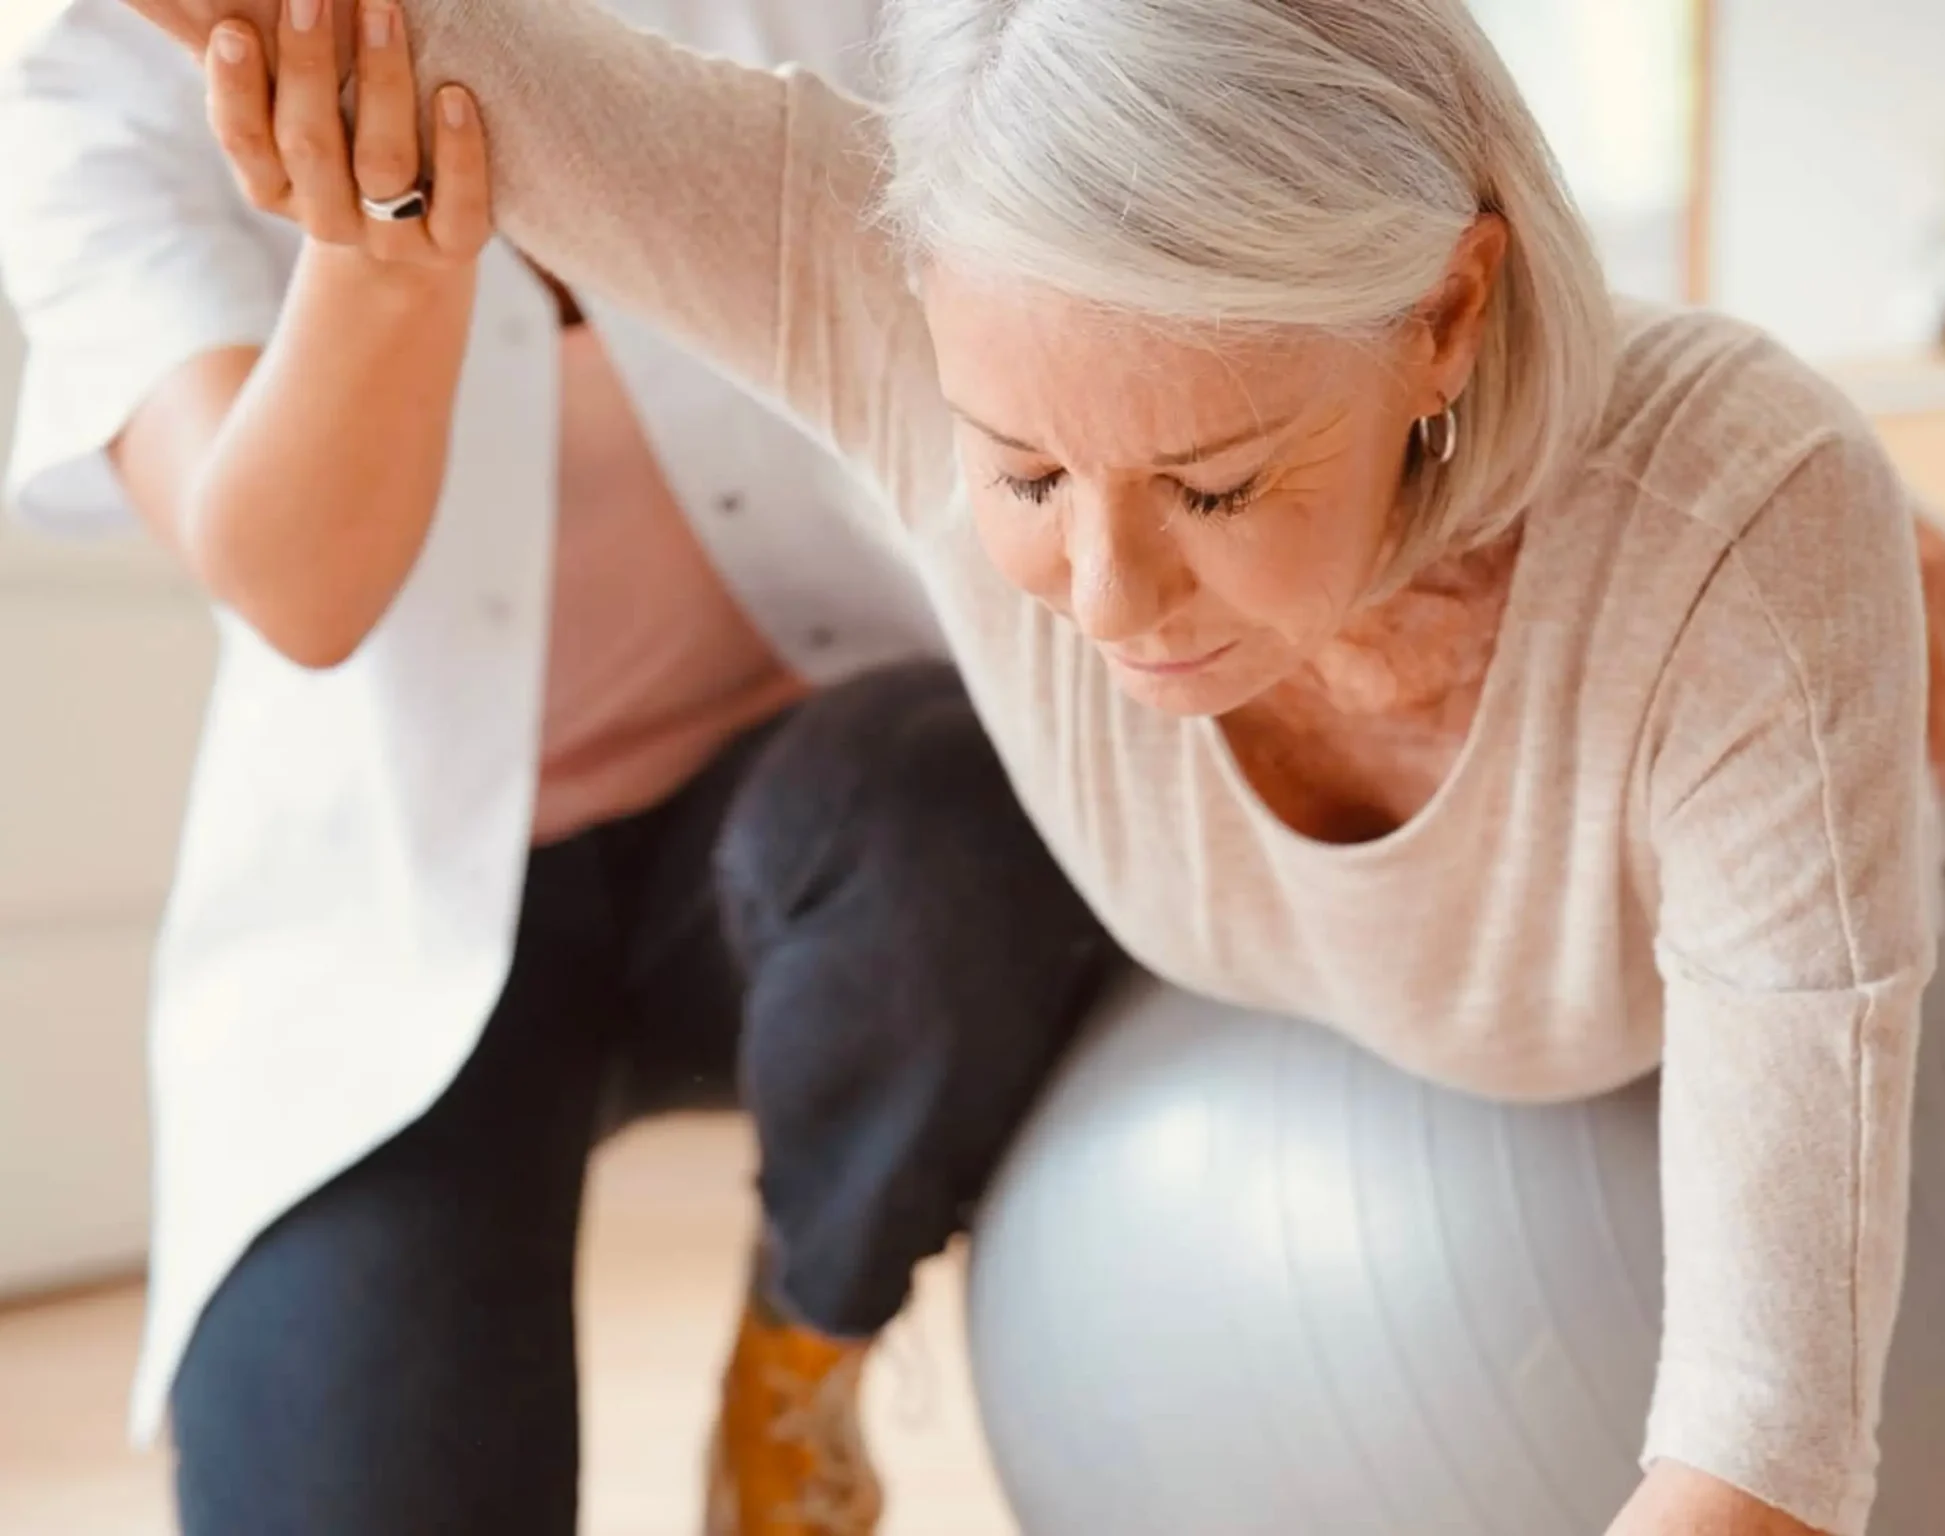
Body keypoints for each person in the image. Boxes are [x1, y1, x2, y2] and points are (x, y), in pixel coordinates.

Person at [99, 0, 1945, 1531]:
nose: (1108, 601)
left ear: (1440, 317)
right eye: (1024, 482)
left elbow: (1771, 1443)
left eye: (1211, 488)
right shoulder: (884, 282)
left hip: (1835, 656)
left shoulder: (1732, 534)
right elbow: (422, 47)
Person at [0, 4, 1117, 1535]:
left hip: (828, 820)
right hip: (394, 907)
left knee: (933, 822)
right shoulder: (82, 76)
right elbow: (297, 591)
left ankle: (808, 1334)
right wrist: (386, 254)